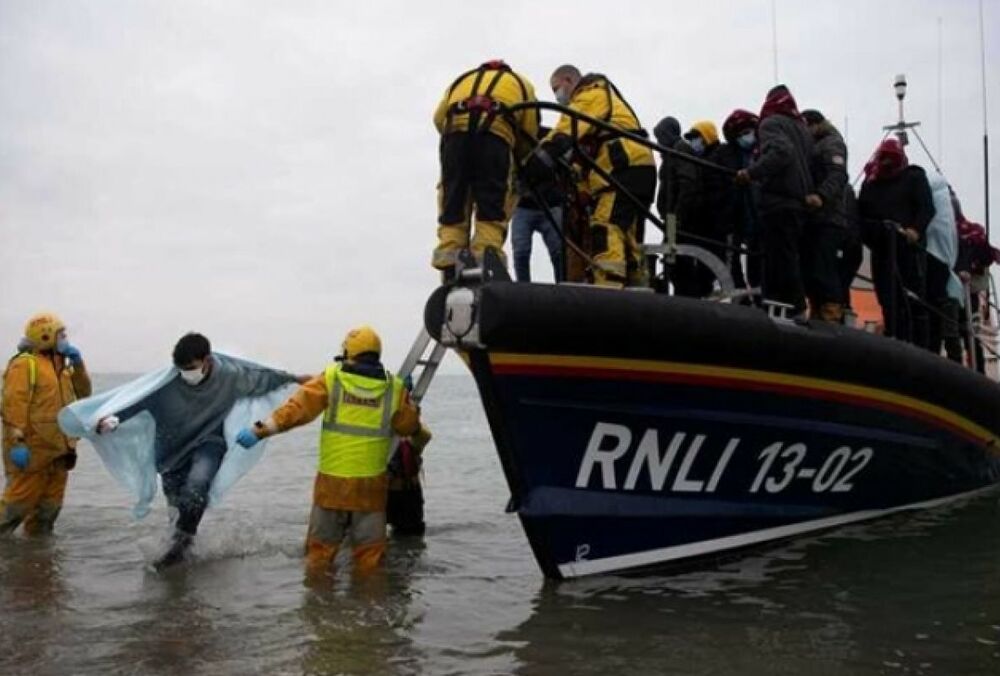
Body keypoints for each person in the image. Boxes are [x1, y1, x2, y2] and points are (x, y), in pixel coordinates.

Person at [95, 332, 301, 568]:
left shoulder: (228, 377)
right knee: (176, 511)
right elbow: (137, 400)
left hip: (209, 444)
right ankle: (184, 549)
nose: (186, 373)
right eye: (181, 368)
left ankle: (179, 551)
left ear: (208, 361)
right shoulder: (166, 385)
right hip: (171, 452)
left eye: (191, 367)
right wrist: (114, 419)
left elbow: (261, 379)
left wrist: (295, 378)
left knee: (196, 486)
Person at [235, 325, 422, 577]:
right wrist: (407, 399)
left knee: (320, 555)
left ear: (347, 352)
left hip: (332, 485)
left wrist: (259, 430)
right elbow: (409, 427)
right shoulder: (394, 388)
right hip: (370, 488)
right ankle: (371, 612)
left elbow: (295, 412)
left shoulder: (332, 379)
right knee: (370, 559)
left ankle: (319, 610)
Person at [536, 64, 656, 288]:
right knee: (626, 236)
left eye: (557, 89)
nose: (557, 96)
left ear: (570, 82)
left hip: (623, 167)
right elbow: (584, 158)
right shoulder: (603, 104)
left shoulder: (591, 94)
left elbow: (566, 130)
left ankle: (608, 291)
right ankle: (636, 288)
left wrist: (537, 162)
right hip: (636, 167)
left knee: (605, 227)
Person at [432, 60, 540, 279]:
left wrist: (456, 137)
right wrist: (520, 159)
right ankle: (486, 261)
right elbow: (530, 132)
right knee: (492, 204)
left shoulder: (461, 79)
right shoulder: (521, 84)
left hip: (455, 138)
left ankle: (450, 261)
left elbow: (438, 118)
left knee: (453, 200)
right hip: (495, 138)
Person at [1, 313, 91, 535]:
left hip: (60, 450)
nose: (65, 338)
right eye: (61, 334)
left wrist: (78, 364)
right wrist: (17, 441)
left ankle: (36, 560)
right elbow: (13, 405)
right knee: (16, 507)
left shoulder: (63, 367)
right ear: (45, 336)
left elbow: (84, 394)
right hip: (32, 450)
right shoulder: (25, 365)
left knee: (48, 512)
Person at [736, 85, 815, 318]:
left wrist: (752, 172)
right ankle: (792, 308)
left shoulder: (770, 124)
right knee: (790, 255)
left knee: (777, 257)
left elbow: (781, 153)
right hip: (799, 202)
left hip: (778, 200)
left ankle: (785, 307)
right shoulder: (803, 129)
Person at [858, 139, 935, 346]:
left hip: (908, 249)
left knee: (913, 300)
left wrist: (915, 230)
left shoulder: (914, 177)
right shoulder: (871, 183)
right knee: (887, 298)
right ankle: (894, 338)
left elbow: (926, 207)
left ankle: (919, 347)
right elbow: (862, 214)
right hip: (882, 248)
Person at [801, 109, 850, 322]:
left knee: (824, 269)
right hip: (815, 218)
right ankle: (819, 311)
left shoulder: (831, 144)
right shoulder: (815, 146)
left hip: (828, 218)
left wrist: (820, 196)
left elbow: (837, 175)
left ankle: (830, 315)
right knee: (813, 270)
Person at [671, 120, 728, 298]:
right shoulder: (700, 160)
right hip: (703, 222)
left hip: (715, 221)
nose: (694, 141)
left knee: (712, 263)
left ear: (707, 137)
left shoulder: (719, 157)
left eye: (697, 137)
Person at [510, 125, 565, 282]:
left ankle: (562, 287)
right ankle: (523, 289)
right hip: (523, 207)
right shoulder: (513, 142)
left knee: (558, 252)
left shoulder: (549, 137)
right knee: (520, 251)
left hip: (551, 205)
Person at [718, 109, 763, 296]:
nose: (746, 137)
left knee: (758, 263)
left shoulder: (762, 153)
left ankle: (758, 296)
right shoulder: (731, 155)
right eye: (741, 134)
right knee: (732, 258)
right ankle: (741, 296)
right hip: (738, 214)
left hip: (758, 215)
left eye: (748, 132)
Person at [922, 173, 963, 361]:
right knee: (942, 328)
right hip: (945, 279)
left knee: (948, 331)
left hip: (945, 283)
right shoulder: (952, 230)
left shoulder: (957, 233)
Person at [386, 422, 432, 537]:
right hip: (382, 493)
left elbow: (425, 435)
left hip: (407, 494)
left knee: (410, 537)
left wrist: (409, 420)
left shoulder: (410, 437)